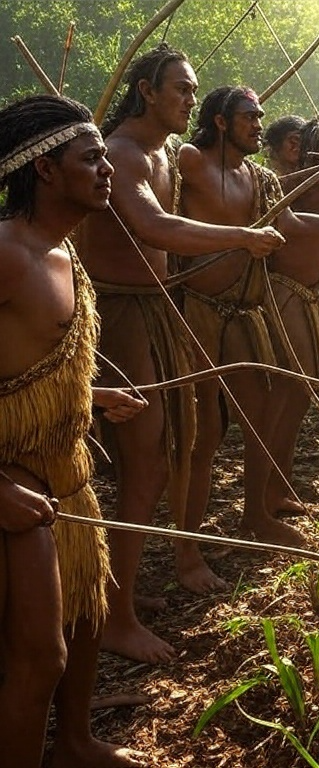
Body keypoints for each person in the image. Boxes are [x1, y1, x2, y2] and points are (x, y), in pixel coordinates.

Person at [77, 44, 286, 665]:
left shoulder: (163, 153)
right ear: (146, 90)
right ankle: (112, 615)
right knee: (145, 463)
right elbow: (157, 229)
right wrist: (244, 238)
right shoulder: (122, 153)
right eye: (181, 89)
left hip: (155, 311)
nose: (191, 101)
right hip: (119, 315)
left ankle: (122, 595)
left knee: (164, 455)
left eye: (195, 91)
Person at [0, 93, 147, 768]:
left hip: (68, 468)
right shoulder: (5, 253)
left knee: (88, 609)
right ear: (46, 170)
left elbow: (30, 360)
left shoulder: (63, 254)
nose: (106, 168)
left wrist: (92, 393)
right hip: (16, 476)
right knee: (40, 656)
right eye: (90, 158)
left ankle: (77, 742)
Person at [176, 86, 319, 591]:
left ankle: (254, 516)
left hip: (243, 309)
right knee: (201, 433)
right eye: (248, 117)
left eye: (260, 116)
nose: (258, 124)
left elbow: (290, 222)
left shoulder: (257, 178)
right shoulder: (190, 161)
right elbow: (161, 222)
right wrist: (239, 238)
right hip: (196, 310)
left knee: (257, 414)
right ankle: (187, 554)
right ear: (219, 121)